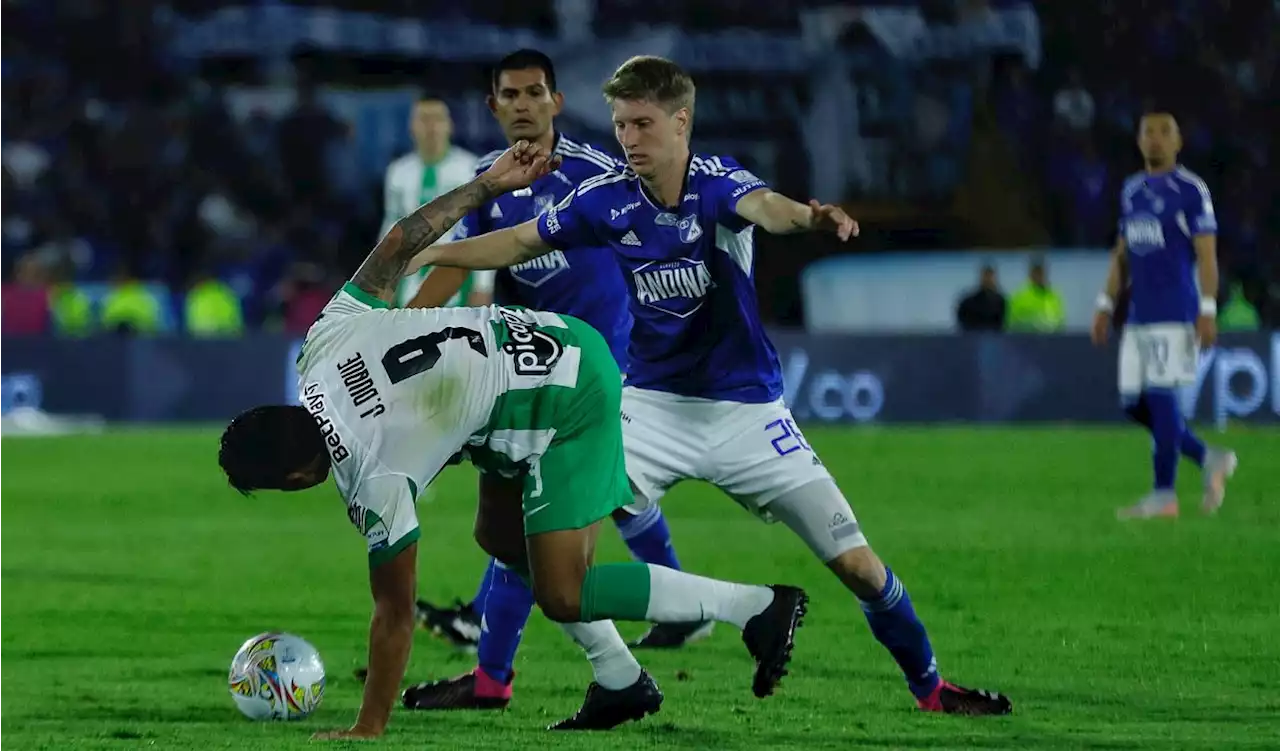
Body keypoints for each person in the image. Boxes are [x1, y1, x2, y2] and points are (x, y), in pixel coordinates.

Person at [407, 55, 1012, 717]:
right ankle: (561, 678)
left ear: (681, 122)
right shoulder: (607, 198)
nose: (630, 139)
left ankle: (931, 688)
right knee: (534, 534)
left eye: (642, 123)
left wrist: (811, 218)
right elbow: (517, 243)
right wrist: (430, 250)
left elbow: (768, 208)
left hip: (748, 413)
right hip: (651, 407)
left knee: (860, 567)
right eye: (620, 125)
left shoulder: (717, 185)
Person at [217, 140, 809, 740]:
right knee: (498, 535)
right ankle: (620, 679)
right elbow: (400, 243)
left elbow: (394, 616)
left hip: (565, 396)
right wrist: (487, 187)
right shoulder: (318, 350)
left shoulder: (373, 480)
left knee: (563, 590)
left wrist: (367, 727)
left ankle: (755, 607)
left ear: (295, 479)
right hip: (532, 348)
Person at [403, 49, 705, 714]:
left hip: (601, 368)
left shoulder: (600, 174)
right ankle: (687, 608)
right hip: (531, 371)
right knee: (554, 511)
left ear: (556, 102)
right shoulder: (488, 182)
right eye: (509, 94)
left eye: (534, 92)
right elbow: (464, 271)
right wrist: (401, 326)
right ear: (493, 106)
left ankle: (498, 671)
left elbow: (659, 244)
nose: (522, 104)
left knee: (546, 517)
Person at [1090, 111, 1237, 519]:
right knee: (1132, 404)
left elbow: (1207, 255)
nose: (1155, 139)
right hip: (1138, 314)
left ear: (1178, 142)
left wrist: (1207, 309)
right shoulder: (1132, 190)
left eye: (1164, 133)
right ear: (1138, 141)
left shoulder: (1191, 190)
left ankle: (1164, 494)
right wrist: (1105, 304)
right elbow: (1122, 252)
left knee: (1160, 395)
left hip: (1176, 312)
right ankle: (1208, 456)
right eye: (1148, 133)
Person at [381, 95, 490, 308]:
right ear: (412, 127)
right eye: (423, 119)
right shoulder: (398, 173)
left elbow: (484, 229)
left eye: (437, 119)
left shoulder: (470, 169)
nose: (431, 126)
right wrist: (382, 280)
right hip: (409, 279)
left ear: (450, 125)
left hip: (456, 279)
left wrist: (483, 286)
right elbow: (389, 227)